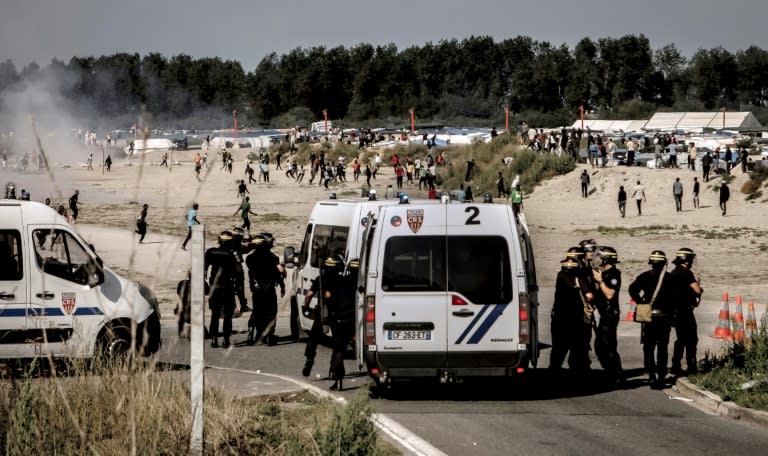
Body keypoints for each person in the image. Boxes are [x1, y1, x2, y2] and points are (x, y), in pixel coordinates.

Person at [628, 250, 676, 389]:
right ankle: (661, 375)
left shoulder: (644, 276)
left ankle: (651, 376)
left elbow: (632, 289)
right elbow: (675, 298)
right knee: (662, 347)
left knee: (648, 347)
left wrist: (641, 303)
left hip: (649, 316)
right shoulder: (671, 278)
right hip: (665, 316)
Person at [549, 251, 594, 375]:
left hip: (558, 319)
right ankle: (576, 373)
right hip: (575, 320)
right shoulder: (578, 278)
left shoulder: (560, 276)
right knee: (577, 348)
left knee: (558, 349)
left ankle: (554, 372)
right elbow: (589, 296)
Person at [301, 255, 344, 376]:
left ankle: (309, 361)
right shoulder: (341, 280)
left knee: (313, 339)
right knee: (338, 342)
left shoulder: (320, 278)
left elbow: (309, 294)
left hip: (322, 312)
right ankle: (334, 369)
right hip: (337, 313)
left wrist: (306, 307)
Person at [591, 246, 624, 387]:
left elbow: (610, 294)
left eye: (600, 257)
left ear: (606, 259)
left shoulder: (614, 274)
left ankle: (617, 375)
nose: (598, 260)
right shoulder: (606, 273)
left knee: (607, 346)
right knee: (600, 346)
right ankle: (610, 373)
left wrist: (599, 281)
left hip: (610, 315)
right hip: (604, 314)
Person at [246, 234, 286, 346]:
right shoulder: (272, 257)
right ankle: (269, 336)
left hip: (256, 288)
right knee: (271, 312)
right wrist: (282, 285)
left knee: (256, 310)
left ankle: (251, 333)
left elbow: (251, 271)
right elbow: (280, 272)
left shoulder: (249, 258)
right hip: (269, 287)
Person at [326, 258, 359, 390]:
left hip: (338, 318)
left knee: (338, 349)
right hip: (352, 319)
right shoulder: (362, 283)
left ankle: (338, 378)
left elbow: (329, 298)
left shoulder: (340, 281)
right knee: (343, 347)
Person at [670, 248, 703, 376]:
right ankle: (691, 366)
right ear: (686, 260)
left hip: (675, 311)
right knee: (691, 339)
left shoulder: (674, 272)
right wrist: (700, 289)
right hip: (685, 311)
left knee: (681, 339)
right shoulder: (686, 273)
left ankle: (675, 365)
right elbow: (697, 290)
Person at [205, 231, 240, 348]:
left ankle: (214, 339)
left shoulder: (211, 252)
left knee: (214, 314)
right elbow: (237, 272)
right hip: (227, 288)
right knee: (227, 315)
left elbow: (203, 268)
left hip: (214, 287)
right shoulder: (231, 254)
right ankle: (226, 339)